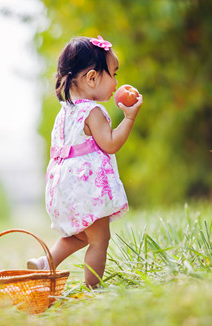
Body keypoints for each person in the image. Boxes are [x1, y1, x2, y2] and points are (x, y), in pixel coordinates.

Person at [27, 35, 143, 288]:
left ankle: (45, 263)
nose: (116, 82)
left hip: (63, 188)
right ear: (92, 78)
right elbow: (110, 143)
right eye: (113, 74)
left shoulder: (65, 112)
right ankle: (93, 288)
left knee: (79, 235)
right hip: (88, 189)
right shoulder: (93, 111)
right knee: (99, 240)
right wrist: (130, 119)